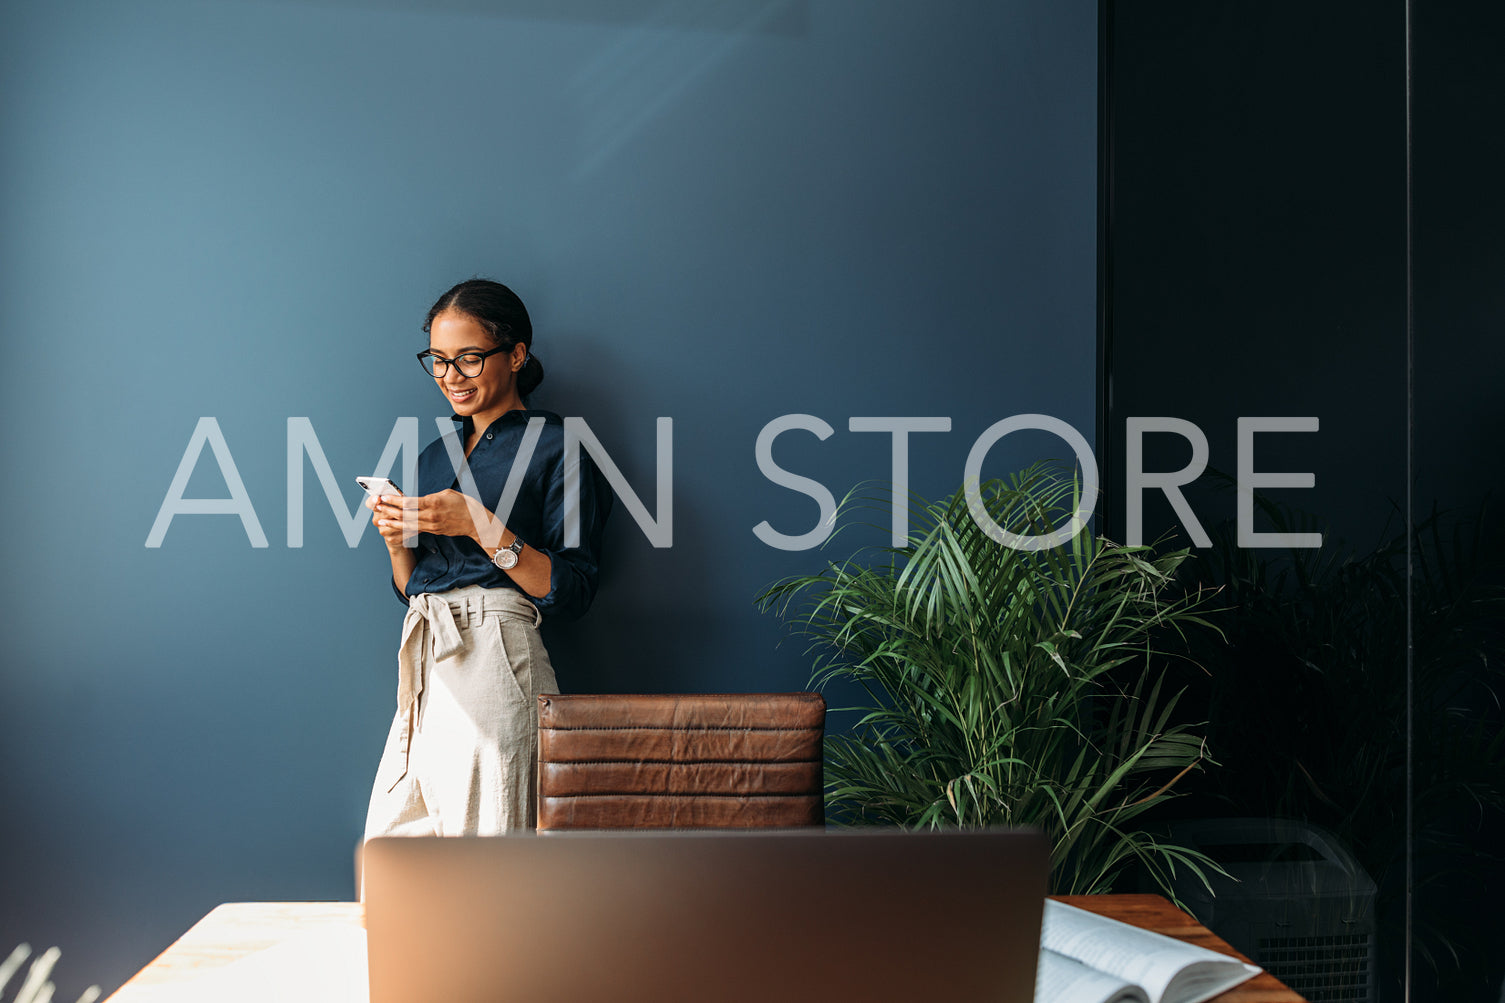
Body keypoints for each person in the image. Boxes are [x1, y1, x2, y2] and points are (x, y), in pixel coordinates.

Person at [362, 278, 611, 838]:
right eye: (439, 361)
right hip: (425, 653)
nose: (451, 377)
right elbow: (414, 586)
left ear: (516, 354)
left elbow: (572, 589)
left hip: (498, 652)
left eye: (469, 359)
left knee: (488, 855)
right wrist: (395, 541)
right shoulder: (432, 457)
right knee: (394, 853)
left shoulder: (559, 446)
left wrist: (479, 524)